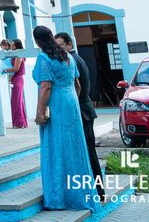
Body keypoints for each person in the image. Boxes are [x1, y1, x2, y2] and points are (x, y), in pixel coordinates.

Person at [32, 26, 97, 211]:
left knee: (57, 146)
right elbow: (77, 84)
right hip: (72, 101)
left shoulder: (44, 57)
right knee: (74, 146)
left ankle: (59, 196)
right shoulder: (68, 56)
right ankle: (80, 190)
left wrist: (40, 112)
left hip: (57, 103)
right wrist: (71, 100)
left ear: (37, 40)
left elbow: (46, 86)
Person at [54, 31, 103, 200]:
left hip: (82, 112)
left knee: (89, 153)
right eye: (56, 46)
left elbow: (77, 88)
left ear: (70, 45)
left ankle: (98, 190)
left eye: (61, 45)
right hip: (83, 111)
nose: (58, 49)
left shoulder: (72, 60)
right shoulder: (72, 59)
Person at [4, 38, 28, 129]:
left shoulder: (18, 56)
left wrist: (5, 70)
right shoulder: (15, 55)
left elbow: (16, 68)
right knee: (16, 101)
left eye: (13, 45)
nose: (12, 47)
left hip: (17, 79)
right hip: (15, 79)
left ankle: (20, 122)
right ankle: (19, 122)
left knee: (17, 101)